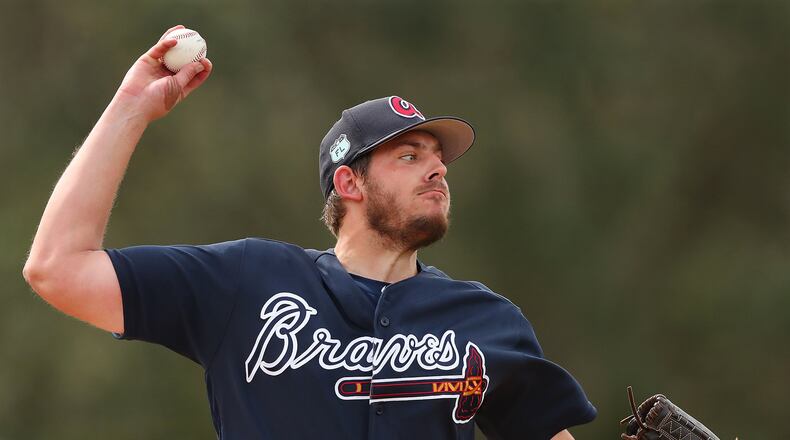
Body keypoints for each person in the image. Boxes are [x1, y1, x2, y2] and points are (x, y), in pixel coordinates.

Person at [23, 25, 596, 439]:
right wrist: (130, 108)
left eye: (439, 158)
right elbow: (58, 268)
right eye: (409, 155)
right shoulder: (249, 283)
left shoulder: (483, 320)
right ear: (349, 182)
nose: (438, 167)